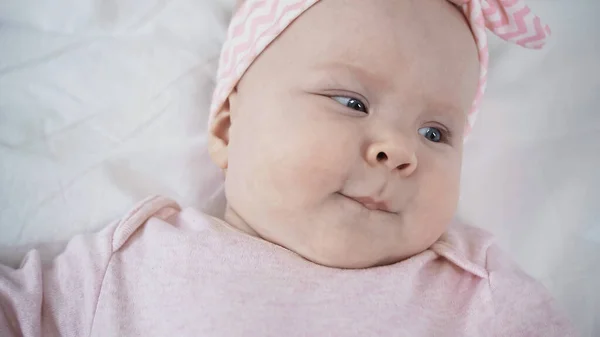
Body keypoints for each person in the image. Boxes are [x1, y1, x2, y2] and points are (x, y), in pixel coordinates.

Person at [0, 0, 575, 336]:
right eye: (352, 102)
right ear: (229, 127)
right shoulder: (132, 259)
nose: (402, 151)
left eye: (436, 133)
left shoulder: (479, 299)